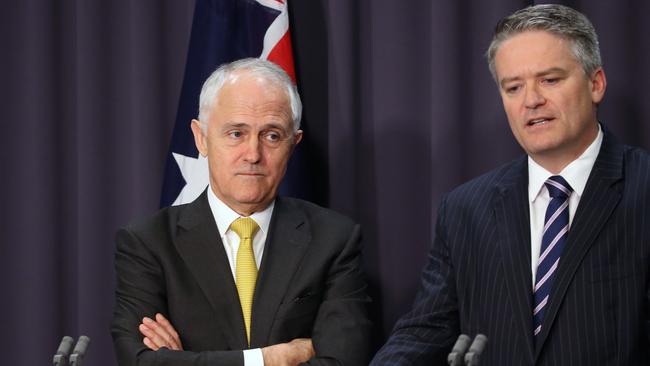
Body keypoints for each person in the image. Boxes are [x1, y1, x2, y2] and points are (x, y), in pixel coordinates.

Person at [371, 4, 649, 365]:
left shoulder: (642, 189)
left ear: (595, 84)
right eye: (513, 87)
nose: (531, 101)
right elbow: (425, 331)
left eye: (550, 80)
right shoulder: (465, 209)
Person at [111, 58, 372, 366]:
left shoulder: (334, 240)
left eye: (272, 135)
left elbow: (343, 361)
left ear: (294, 143)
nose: (253, 154)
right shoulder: (148, 243)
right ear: (201, 138)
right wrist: (269, 359)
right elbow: (141, 362)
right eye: (236, 133)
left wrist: (188, 361)